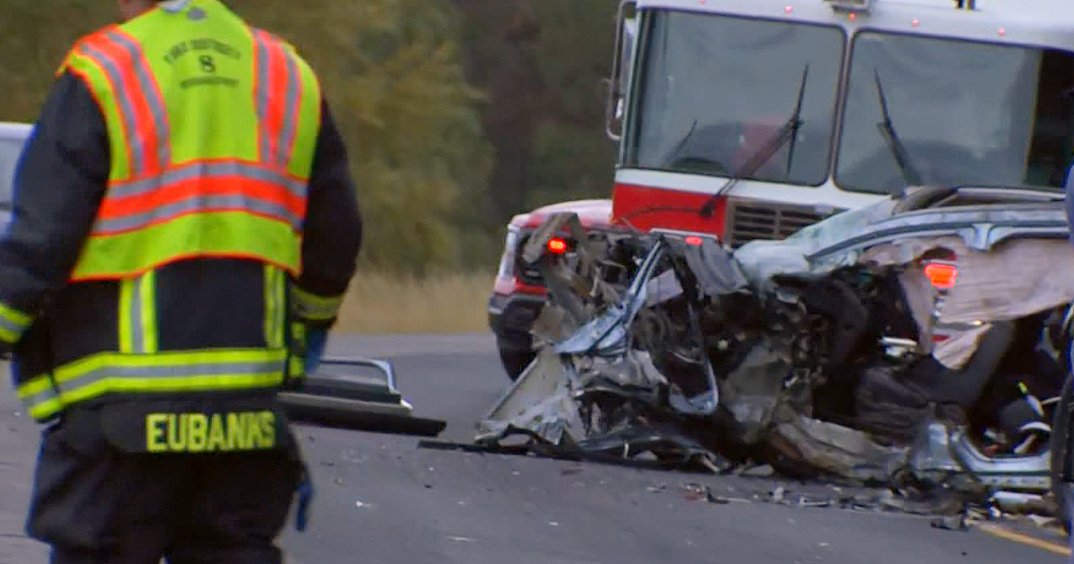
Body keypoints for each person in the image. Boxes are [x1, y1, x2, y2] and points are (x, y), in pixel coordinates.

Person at [0, 0, 362, 562]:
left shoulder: (104, 70)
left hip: (118, 420)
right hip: (242, 420)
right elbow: (334, 235)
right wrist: (308, 326)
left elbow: (43, 237)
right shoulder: (286, 73)